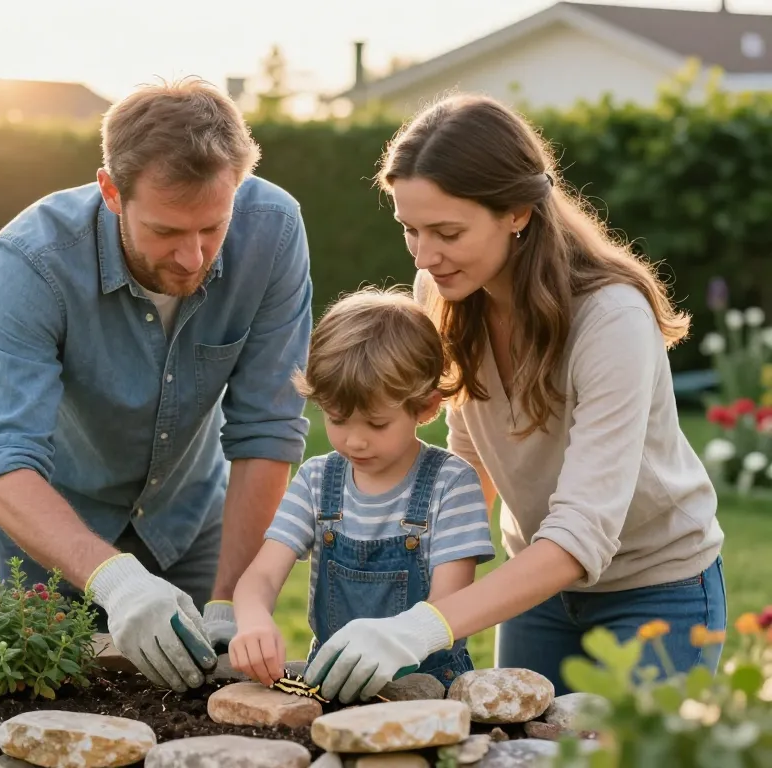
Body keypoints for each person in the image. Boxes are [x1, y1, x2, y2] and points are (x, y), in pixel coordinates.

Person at [304, 92, 726, 702]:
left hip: (658, 591)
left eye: (447, 231)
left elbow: (583, 531)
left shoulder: (610, 319)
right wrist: (434, 601)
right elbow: (471, 452)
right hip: (540, 590)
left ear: (519, 211)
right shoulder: (444, 288)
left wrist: (423, 626)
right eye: (410, 230)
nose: (424, 256)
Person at [0, 78, 314, 694]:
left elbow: (268, 428)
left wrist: (233, 599)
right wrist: (115, 579)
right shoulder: (30, 259)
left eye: (213, 226)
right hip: (55, 533)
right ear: (111, 191)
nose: (191, 257)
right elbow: (3, 460)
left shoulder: (274, 230)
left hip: (195, 523)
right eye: (165, 232)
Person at [229, 288, 496, 703]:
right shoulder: (318, 480)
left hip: (428, 689)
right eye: (337, 419)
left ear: (425, 407)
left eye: (375, 423)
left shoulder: (452, 485)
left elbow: (451, 604)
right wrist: (252, 619)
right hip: (334, 686)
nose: (355, 441)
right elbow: (260, 576)